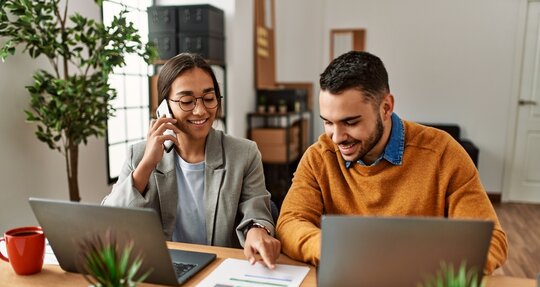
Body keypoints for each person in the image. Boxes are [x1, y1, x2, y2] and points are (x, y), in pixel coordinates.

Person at [276, 51, 507, 274]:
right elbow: (289, 223)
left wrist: (418, 263)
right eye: (328, 122)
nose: (336, 137)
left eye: (350, 122)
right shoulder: (319, 157)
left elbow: (491, 241)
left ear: (386, 107)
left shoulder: (442, 153)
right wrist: (335, 250)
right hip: (348, 281)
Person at [103, 53, 280, 268]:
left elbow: (257, 209)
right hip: (164, 270)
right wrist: (147, 164)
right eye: (186, 101)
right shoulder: (139, 155)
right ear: (164, 107)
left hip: (221, 269)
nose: (200, 110)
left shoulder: (244, 153)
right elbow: (110, 220)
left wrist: (258, 230)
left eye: (208, 98)